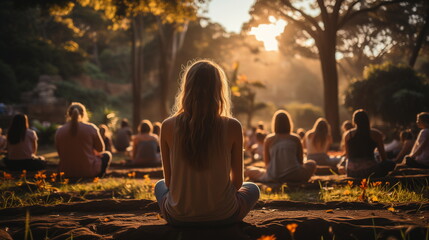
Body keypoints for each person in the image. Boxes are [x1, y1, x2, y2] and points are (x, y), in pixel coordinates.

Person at [154, 60, 260, 225]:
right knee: (253, 188)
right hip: (223, 215)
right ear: (218, 89)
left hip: (178, 216)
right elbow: (238, 183)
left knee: (159, 185)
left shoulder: (167, 125)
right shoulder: (232, 126)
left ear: (187, 88)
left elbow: (169, 183)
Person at [245, 110, 317, 183]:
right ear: (289, 123)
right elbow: (300, 161)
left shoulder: (269, 139)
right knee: (312, 164)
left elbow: (267, 164)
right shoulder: (296, 138)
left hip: (274, 176)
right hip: (295, 175)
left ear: (275, 124)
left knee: (249, 170)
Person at [55, 102, 112, 178]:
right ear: (83, 114)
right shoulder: (91, 128)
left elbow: (60, 152)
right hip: (88, 172)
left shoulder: (60, 130)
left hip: (66, 173)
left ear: (68, 114)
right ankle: (98, 176)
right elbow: (101, 149)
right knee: (107, 155)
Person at [344, 109, 395, 178]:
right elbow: (383, 157)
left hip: (351, 172)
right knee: (391, 164)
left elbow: (348, 156)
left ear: (354, 121)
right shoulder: (376, 134)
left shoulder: (348, 135)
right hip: (371, 171)